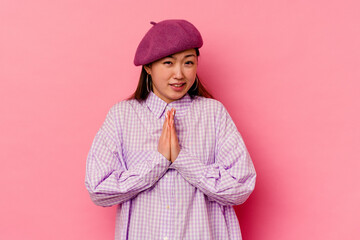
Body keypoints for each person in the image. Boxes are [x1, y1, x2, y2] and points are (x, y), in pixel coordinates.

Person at [85, 19, 256, 240]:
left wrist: (181, 159)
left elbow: (241, 185)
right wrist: (158, 162)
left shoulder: (213, 114)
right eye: (168, 63)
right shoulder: (122, 116)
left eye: (188, 62)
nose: (179, 74)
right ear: (148, 67)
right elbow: (98, 188)